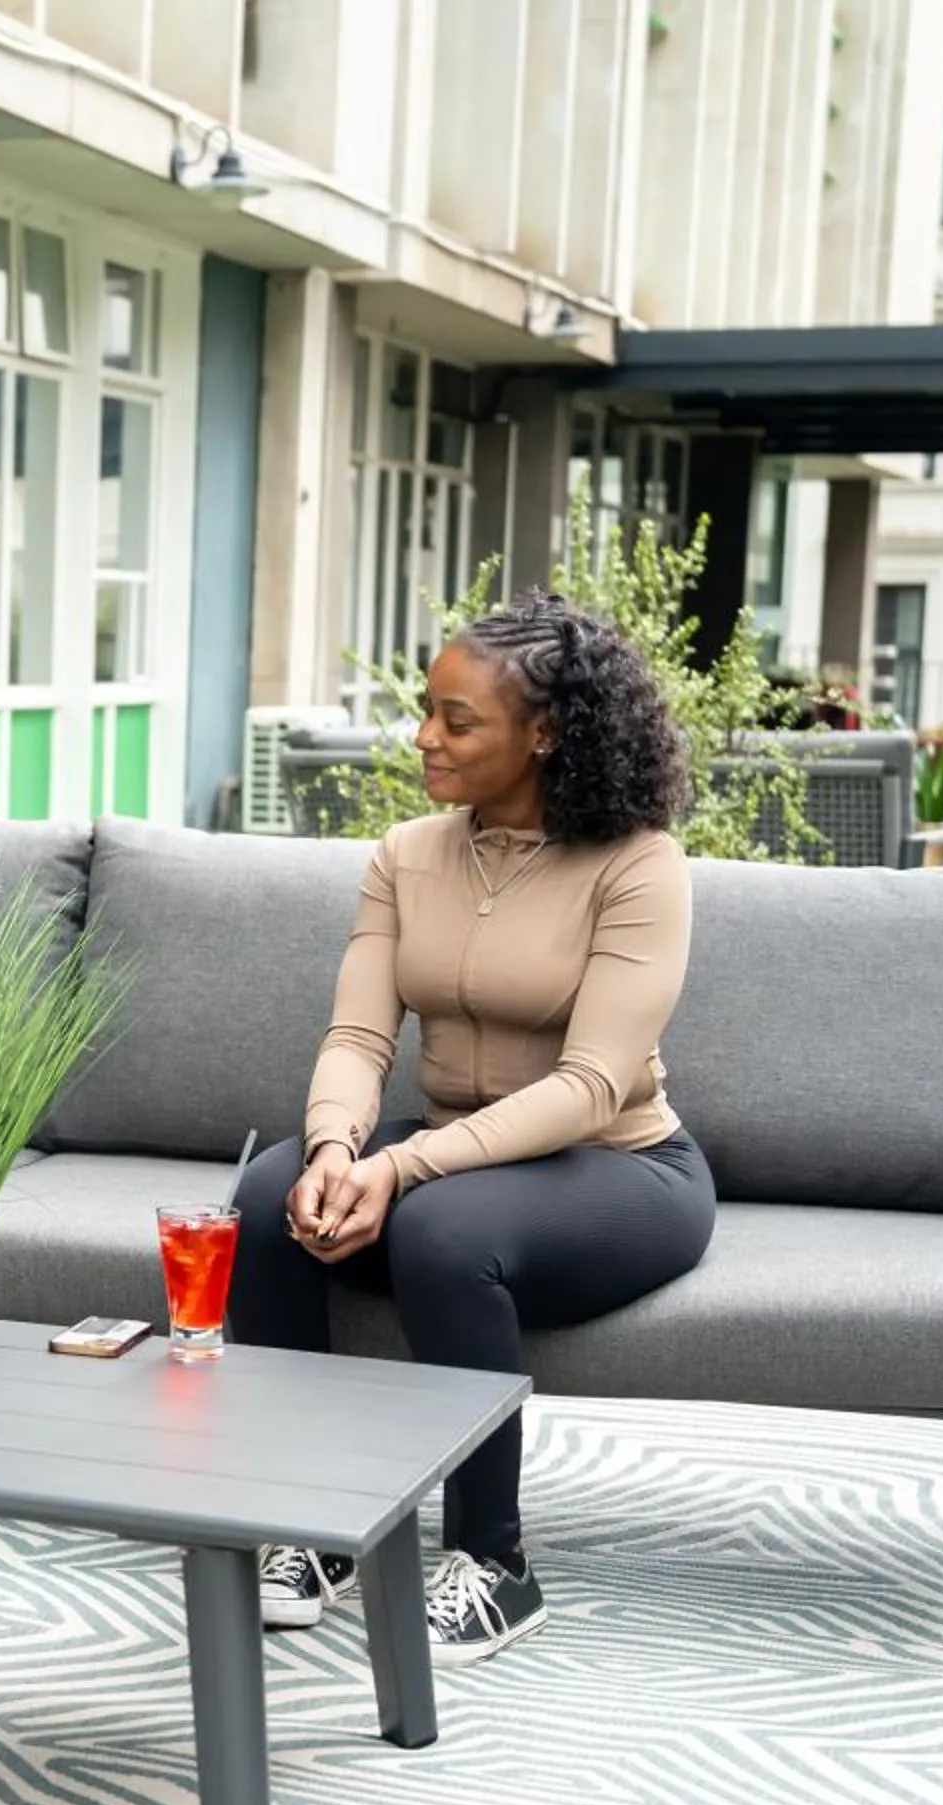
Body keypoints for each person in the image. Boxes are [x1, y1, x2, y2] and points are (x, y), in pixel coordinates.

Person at [228, 591, 716, 1664]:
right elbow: (357, 1036)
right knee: (265, 1197)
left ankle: (495, 1559)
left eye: (456, 719)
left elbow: (593, 1083)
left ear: (544, 733)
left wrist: (399, 1166)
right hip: (451, 1149)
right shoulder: (408, 852)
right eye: (426, 712)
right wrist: (329, 1153)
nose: (424, 738)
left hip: (618, 1167)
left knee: (444, 1232)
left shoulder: (639, 863)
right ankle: (313, 1522)